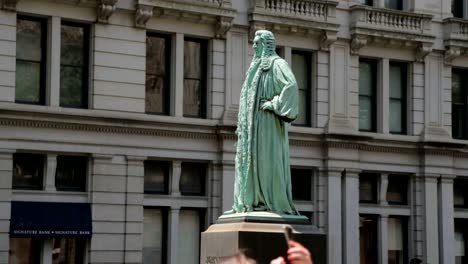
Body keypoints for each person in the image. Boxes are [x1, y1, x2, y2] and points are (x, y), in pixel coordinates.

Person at [226, 29, 300, 215]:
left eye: (257, 42)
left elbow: (290, 86)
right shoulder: (255, 67)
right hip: (250, 129)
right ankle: (250, 200)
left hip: (267, 126)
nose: (253, 46)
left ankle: (269, 201)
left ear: (266, 44)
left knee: (266, 161)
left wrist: (274, 104)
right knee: (247, 161)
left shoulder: (277, 64)